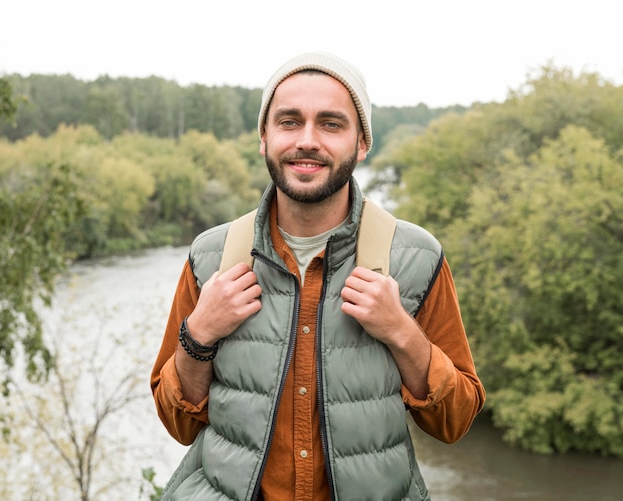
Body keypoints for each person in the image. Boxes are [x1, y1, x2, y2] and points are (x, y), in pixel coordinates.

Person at [151, 51, 485, 501]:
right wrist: (199, 334)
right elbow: (179, 425)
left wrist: (402, 333)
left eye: (331, 123)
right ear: (264, 138)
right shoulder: (211, 256)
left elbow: (455, 421)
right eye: (289, 121)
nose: (307, 140)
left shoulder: (415, 258)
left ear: (362, 143)